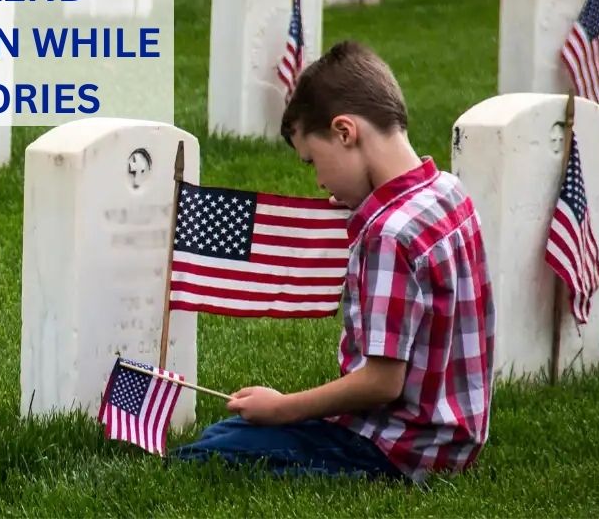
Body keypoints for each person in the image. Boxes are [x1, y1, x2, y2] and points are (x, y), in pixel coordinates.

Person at [172, 41, 496, 484]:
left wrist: (284, 406)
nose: (321, 179)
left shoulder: (389, 234)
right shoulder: (447, 192)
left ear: (344, 132)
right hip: (451, 432)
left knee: (206, 456)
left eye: (314, 161)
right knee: (233, 431)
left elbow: (382, 382)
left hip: (395, 448)